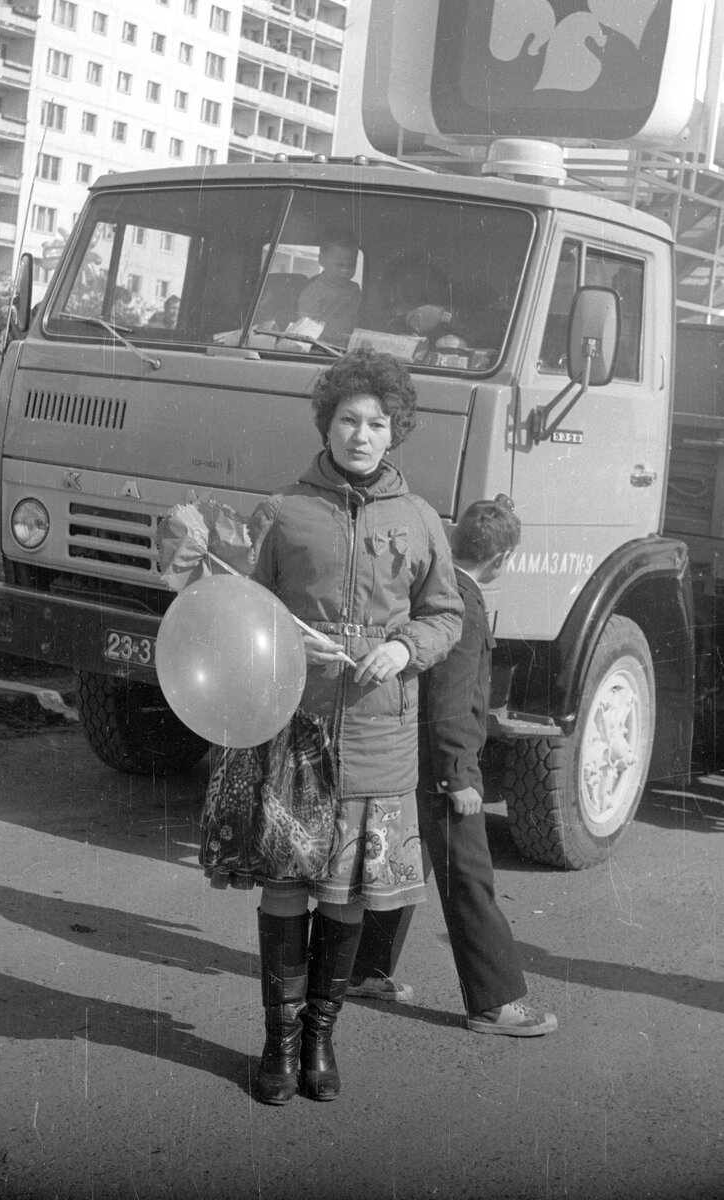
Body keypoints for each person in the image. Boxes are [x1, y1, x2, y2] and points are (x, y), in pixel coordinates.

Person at [201, 347, 464, 1104]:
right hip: (295, 737)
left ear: (395, 430)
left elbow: (446, 613)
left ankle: (320, 1041)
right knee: (286, 890)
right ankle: (277, 1049)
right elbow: (236, 609)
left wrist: (401, 645)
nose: (360, 434)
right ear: (327, 424)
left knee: (345, 899)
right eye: (348, 419)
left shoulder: (418, 520)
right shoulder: (283, 511)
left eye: (376, 422)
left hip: (379, 738)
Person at [348, 498, 558, 1037]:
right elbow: (452, 702)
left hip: (405, 757)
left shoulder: (435, 589)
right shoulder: (464, 602)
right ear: (502, 557)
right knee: (468, 880)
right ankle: (494, 1003)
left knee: (404, 865)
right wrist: (459, 777)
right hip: (442, 767)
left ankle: (365, 971)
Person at [296, 233, 362, 344]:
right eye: (339, 265)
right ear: (322, 260)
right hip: (321, 347)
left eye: (351, 265)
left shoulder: (354, 289)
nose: (345, 270)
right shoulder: (313, 291)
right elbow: (305, 332)